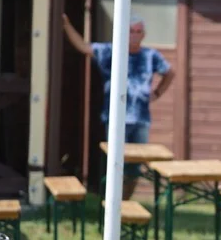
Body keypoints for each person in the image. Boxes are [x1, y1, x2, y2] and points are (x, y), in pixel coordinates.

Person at [62, 13, 175, 199]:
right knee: (114, 164)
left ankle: (124, 204)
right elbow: (83, 47)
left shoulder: (150, 56)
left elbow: (170, 72)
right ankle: (110, 203)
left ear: (143, 34)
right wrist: (66, 24)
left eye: (139, 31)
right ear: (124, 32)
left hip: (140, 120)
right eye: (131, 31)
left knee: (135, 168)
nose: (135, 35)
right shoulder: (110, 51)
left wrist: (156, 94)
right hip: (115, 119)